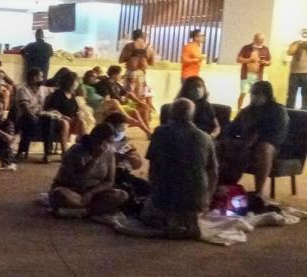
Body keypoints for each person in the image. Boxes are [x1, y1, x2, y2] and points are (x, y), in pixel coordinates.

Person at [142, 97, 217, 238]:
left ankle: (171, 220)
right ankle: (190, 218)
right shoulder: (206, 137)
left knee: (146, 212)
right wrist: (206, 198)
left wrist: (155, 190)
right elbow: (213, 171)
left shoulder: (160, 132)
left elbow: (153, 166)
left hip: (166, 195)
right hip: (198, 198)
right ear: (192, 115)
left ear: (171, 113)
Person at [217, 81, 289, 199]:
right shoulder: (247, 111)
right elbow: (232, 128)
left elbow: (277, 134)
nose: (254, 96)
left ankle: (259, 191)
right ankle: (224, 185)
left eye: (258, 93)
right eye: (253, 93)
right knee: (223, 145)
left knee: (264, 148)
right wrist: (230, 140)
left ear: (266, 94)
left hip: (270, 145)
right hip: (246, 143)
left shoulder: (278, 111)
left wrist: (255, 139)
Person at [49, 123, 128, 216]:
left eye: (109, 142)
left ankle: (84, 211)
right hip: (72, 189)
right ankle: (90, 210)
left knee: (122, 195)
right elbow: (76, 180)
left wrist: (91, 193)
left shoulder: (109, 153)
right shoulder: (75, 151)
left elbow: (109, 181)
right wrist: (94, 159)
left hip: (94, 192)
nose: (106, 145)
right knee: (59, 194)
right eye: (105, 141)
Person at [14, 67, 58, 161]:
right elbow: (25, 108)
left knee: (49, 120)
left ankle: (47, 153)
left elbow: (55, 89)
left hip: (39, 115)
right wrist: (34, 118)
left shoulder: (42, 89)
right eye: (40, 76)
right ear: (34, 78)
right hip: (24, 116)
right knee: (29, 120)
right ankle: (22, 151)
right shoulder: (23, 89)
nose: (42, 79)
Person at [104, 112, 149, 201]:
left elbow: (137, 165)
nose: (122, 130)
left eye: (123, 128)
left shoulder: (125, 142)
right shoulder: (102, 141)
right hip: (106, 178)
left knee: (147, 188)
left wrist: (131, 158)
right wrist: (113, 159)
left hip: (123, 175)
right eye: (120, 127)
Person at [95, 65, 152, 135]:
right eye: (119, 74)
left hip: (122, 105)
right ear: (114, 74)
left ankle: (148, 131)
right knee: (135, 112)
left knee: (144, 109)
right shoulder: (104, 83)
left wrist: (140, 103)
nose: (120, 76)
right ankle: (147, 132)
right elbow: (107, 98)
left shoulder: (116, 84)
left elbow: (128, 94)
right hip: (113, 107)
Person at [44, 70, 86, 155]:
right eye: (76, 82)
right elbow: (51, 109)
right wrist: (63, 116)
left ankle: (85, 149)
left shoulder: (72, 96)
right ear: (69, 82)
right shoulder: (58, 94)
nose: (77, 84)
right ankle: (65, 152)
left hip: (71, 120)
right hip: (57, 121)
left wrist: (79, 114)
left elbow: (76, 110)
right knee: (65, 123)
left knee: (82, 122)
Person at [118, 29, 157, 101]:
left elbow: (120, 60)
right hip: (142, 73)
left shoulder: (129, 46)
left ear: (133, 36)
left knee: (128, 94)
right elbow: (152, 63)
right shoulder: (149, 47)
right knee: (139, 95)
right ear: (142, 36)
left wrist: (131, 56)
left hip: (131, 72)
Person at [236, 33, 271, 110]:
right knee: (243, 93)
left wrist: (264, 62)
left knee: (256, 94)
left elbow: (269, 62)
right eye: (259, 40)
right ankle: (239, 110)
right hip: (246, 75)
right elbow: (238, 59)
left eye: (262, 40)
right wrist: (249, 60)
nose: (261, 42)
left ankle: (253, 111)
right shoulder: (246, 48)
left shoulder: (265, 49)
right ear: (254, 39)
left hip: (258, 76)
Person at [286, 34, 307, 110]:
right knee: (291, 95)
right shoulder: (295, 43)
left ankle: (304, 112)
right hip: (294, 73)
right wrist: (298, 44)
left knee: (305, 95)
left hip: (306, 74)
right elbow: (290, 52)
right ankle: (289, 111)